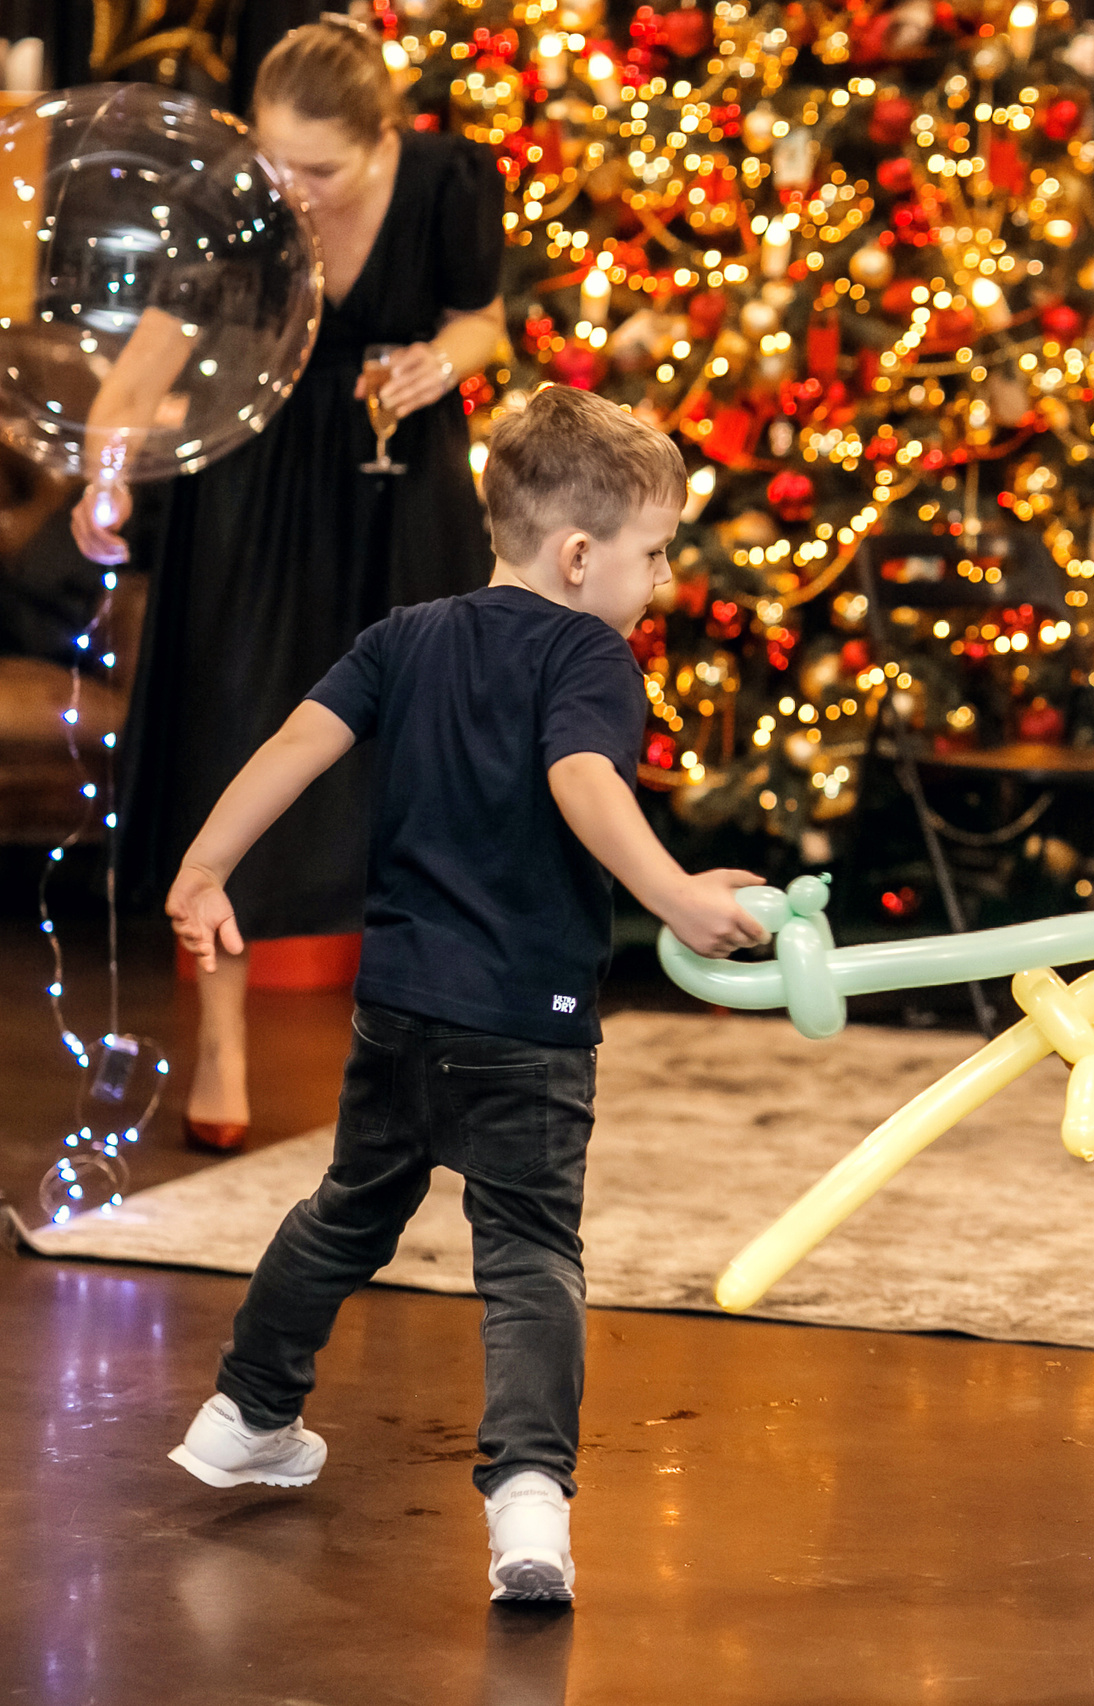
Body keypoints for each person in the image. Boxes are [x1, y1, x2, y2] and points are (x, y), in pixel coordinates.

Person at [158, 387, 771, 1603]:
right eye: (653, 553)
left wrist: (206, 863)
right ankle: (530, 1504)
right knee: (532, 1252)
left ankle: (247, 1409)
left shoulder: (406, 635)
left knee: (347, 1208)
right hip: (525, 1022)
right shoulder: (590, 652)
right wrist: (674, 891)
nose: (659, 580)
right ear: (579, 552)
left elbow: (293, 743)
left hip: (398, 1005)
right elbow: (583, 778)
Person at [80, 18, 508, 1151]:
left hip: (401, 487)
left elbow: (483, 321)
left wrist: (442, 362)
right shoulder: (234, 200)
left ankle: (433, 1053)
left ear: (384, 141)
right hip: (252, 506)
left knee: (429, 760)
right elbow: (139, 372)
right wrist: (102, 479)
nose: (293, 192)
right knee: (235, 748)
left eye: (319, 172)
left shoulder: (449, 180)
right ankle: (219, 1047)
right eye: (275, 163)